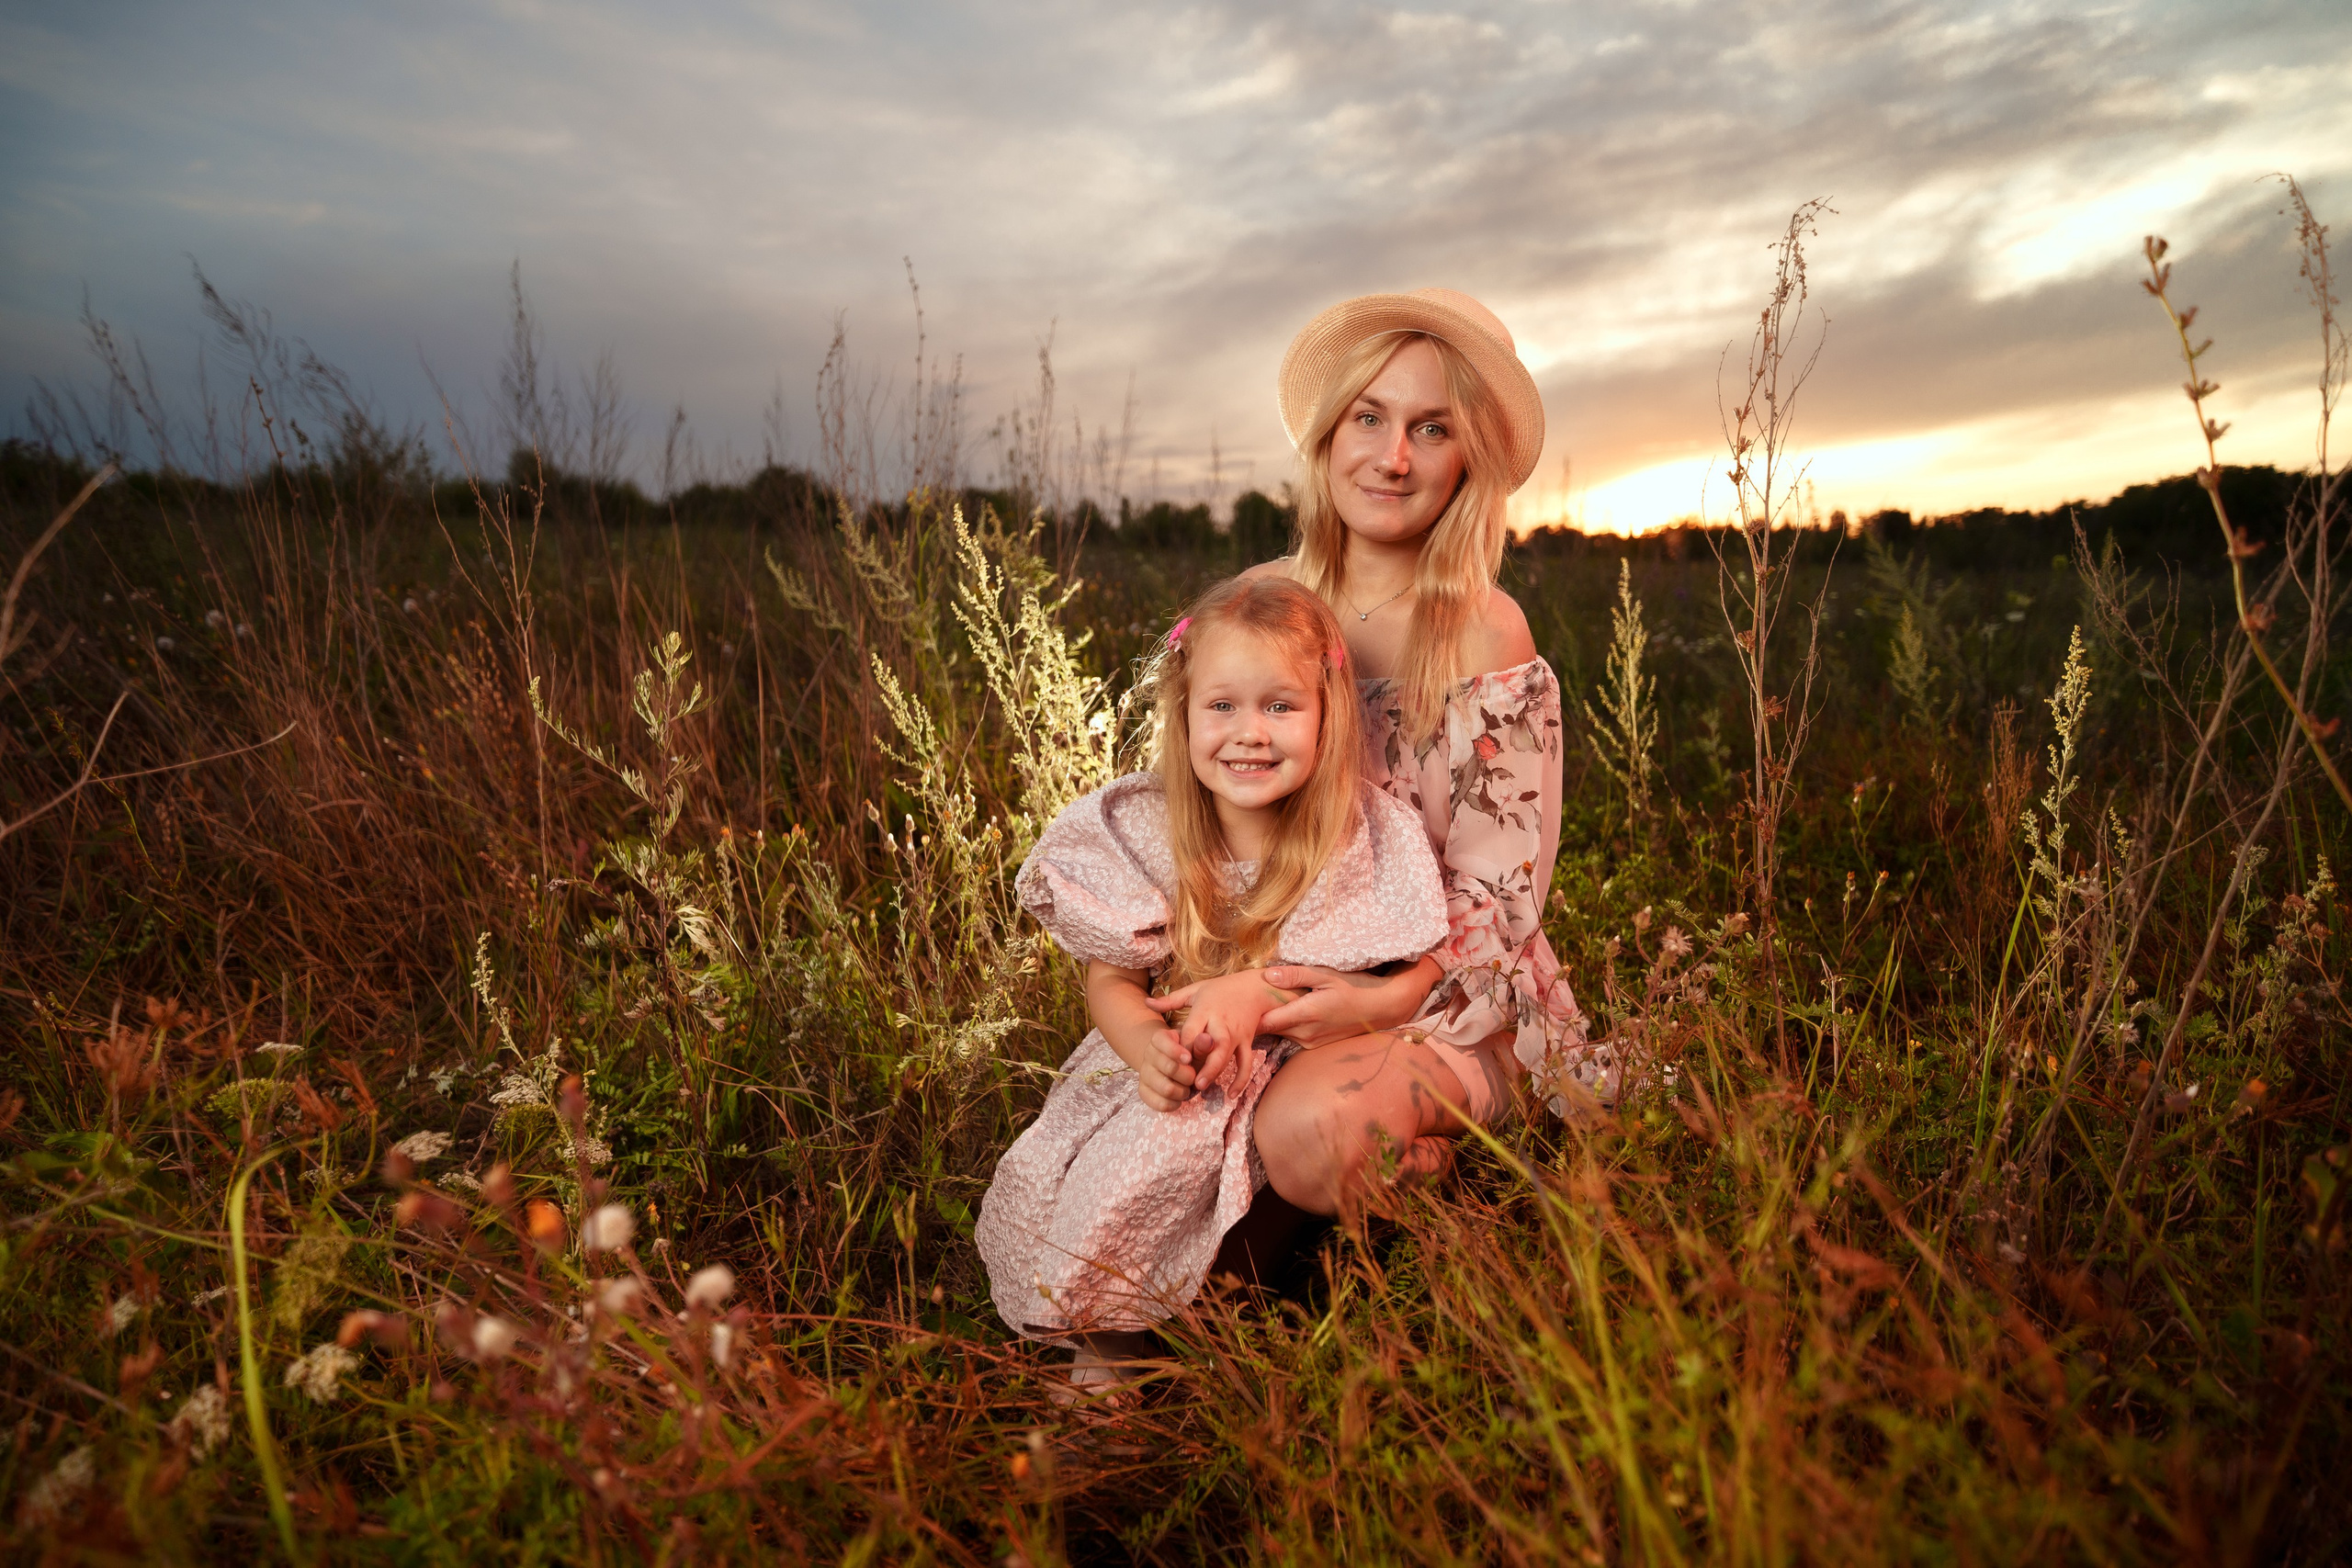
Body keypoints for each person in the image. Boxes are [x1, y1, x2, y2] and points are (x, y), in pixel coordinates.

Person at [1153, 288, 1601, 1230]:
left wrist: (1381, 995)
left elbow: (1502, 896)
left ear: (1466, 457)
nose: (1392, 458)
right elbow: (1183, 808)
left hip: (1441, 993)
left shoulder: (1482, 630)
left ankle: (1467, 1183)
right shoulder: (1259, 606)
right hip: (1271, 978)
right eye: (1370, 417)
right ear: (1328, 434)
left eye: (1431, 428)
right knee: (1158, 1121)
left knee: (1312, 1134)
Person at [973, 575, 1448, 1386]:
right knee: (1115, 1189)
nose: (1249, 734)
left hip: (1280, 1085)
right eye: (1222, 707)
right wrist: (1142, 1045)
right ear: (1184, 713)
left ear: (1327, 712)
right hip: (1178, 1076)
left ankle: (1218, 1319)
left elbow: (1384, 968)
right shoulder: (1148, 827)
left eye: (1280, 707)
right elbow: (1111, 981)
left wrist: (1259, 997)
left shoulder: (1353, 837)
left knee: (1231, 1278)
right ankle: (1104, 1354)